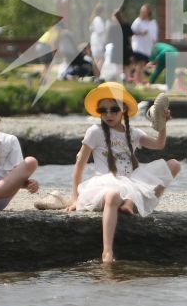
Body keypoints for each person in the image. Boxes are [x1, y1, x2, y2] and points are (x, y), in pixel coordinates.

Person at [60, 82, 180, 263]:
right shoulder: (95, 131)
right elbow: (80, 164)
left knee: (173, 165)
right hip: (105, 182)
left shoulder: (132, 132)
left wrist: (162, 124)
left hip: (131, 179)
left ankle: (141, 202)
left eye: (114, 109)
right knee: (113, 195)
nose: (108, 114)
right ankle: (107, 252)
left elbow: (159, 145)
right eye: (103, 110)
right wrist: (75, 198)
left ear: (124, 109)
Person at [128, 4, 158, 84]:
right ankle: (137, 82)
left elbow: (154, 37)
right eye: (141, 11)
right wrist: (141, 33)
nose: (142, 13)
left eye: (144, 11)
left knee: (142, 65)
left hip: (147, 48)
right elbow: (131, 32)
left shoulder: (153, 23)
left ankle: (139, 81)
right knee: (139, 63)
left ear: (148, 12)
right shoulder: (138, 21)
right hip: (138, 46)